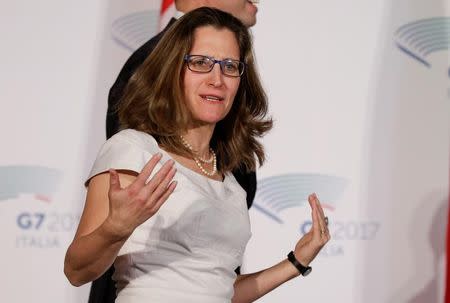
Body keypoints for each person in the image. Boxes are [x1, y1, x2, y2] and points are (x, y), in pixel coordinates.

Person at [65, 7, 330, 303]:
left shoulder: (229, 181)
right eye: (201, 63)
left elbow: (219, 291)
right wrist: (115, 227)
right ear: (172, 71)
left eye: (230, 66)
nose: (217, 79)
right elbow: (76, 271)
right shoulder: (133, 149)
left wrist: (296, 262)